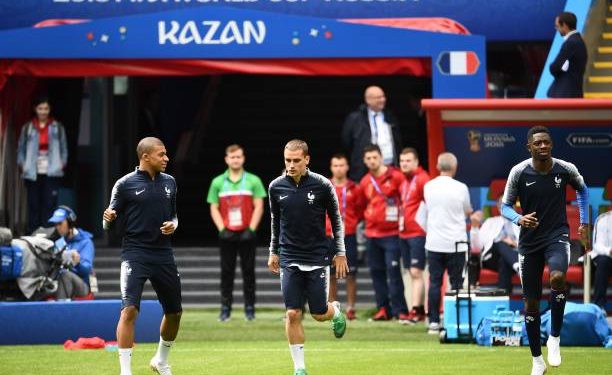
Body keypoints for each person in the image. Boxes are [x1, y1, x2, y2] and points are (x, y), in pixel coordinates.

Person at [501, 126, 588, 375]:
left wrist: (583, 222)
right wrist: (518, 219)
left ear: (551, 144)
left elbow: (582, 190)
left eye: (546, 142)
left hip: (557, 235)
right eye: (537, 143)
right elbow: (504, 206)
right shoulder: (518, 172)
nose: (542, 146)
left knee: (558, 277)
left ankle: (555, 338)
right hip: (529, 243)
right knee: (530, 303)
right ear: (529, 147)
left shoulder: (565, 168)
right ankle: (537, 361)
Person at [268, 139, 348, 375]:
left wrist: (340, 253)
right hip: (289, 256)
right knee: (292, 313)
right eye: (287, 160)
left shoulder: (323, 185)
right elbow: (275, 222)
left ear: (306, 160)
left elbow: (336, 220)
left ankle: (335, 311)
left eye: (295, 160)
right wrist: (273, 251)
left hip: (316, 257)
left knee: (318, 313)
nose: (290, 165)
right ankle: (299, 368)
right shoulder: (275, 187)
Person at [103, 137, 181, 375]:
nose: (166, 158)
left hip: (163, 253)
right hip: (135, 253)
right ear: (145, 157)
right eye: (161, 154)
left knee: (174, 313)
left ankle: (161, 360)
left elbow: (175, 215)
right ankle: (126, 372)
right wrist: (108, 220)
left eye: (166, 154)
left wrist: (174, 225)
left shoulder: (170, 182)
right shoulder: (124, 184)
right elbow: (107, 222)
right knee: (129, 310)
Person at [207, 144, 267, 322]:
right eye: (232, 157)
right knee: (227, 272)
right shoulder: (217, 182)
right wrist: (221, 229)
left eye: (239, 157)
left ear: (243, 158)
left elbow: (259, 206)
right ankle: (225, 309)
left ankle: (250, 309)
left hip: (247, 233)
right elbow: (213, 207)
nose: (236, 160)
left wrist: (252, 229)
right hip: (228, 233)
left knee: (249, 271)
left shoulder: (253, 180)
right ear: (226, 159)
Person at [423, 152, 472, 334]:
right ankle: (455, 321)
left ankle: (433, 322)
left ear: (438, 166)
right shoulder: (461, 188)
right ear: (454, 168)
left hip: (434, 242)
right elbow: (468, 210)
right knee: (457, 283)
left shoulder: (428, 186)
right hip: (456, 243)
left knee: (434, 282)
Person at [360, 144, 409, 322]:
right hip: (372, 234)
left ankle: (401, 310)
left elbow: (405, 200)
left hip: (392, 233)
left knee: (394, 272)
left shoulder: (396, 176)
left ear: (381, 157)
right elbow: (362, 206)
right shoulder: (365, 181)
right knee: (377, 273)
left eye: (375, 157)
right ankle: (383, 309)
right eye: (368, 158)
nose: (372, 161)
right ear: (364, 161)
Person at [17, 97, 68, 234]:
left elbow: (64, 148)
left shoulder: (57, 127)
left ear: (49, 109)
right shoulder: (28, 127)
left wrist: (61, 164)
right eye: (40, 108)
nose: (43, 112)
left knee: (49, 204)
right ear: (35, 109)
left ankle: (48, 233)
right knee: (33, 203)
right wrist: (23, 165)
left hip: (52, 171)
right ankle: (33, 234)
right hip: (32, 171)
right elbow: (21, 149)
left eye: (46, 108)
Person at [325, 153, 366, 320]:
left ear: (347, 167)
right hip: (329, 235)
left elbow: (361, 209)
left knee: (350, 274)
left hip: (348, 234)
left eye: (342, 165)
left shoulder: (355, 188)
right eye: (335, 165)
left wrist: (352, 223)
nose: (339, 168)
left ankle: (351, 308)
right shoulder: (324, 186)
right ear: (331, 167)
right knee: (331, 274)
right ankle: (333, 307)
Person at [341, 86, 402, 181]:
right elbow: (346, 143)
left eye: (383, 97)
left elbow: (398, 141)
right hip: (363, 170)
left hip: (389, 167)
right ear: (368, 100)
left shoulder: (390, 116)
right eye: (378, 97)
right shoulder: (355, 119)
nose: (383, 100)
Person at [398, 147, 429, 323]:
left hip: (417, 232)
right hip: (404, 233)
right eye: (402, 161)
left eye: (408, 160)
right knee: (412, 272)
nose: (404, 164)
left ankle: (416, 310)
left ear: (416, 162)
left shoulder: (423, 179)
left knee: (417, 271)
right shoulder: (404, 180)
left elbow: (430, 205)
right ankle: (419, 310)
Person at [470, 198, 520, 295]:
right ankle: (518, 266)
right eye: (501, 204)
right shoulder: (490, 222)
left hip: (512, 257)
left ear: (514, 206)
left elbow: (530, 245)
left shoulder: (521, 223)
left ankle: (503, 298)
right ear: (498, 207)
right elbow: (477, 247)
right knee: (499, 242)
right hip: (491, 258)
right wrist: (474, 228)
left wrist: (514, 244)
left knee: (504, 261)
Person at [48, 205, 94, 299]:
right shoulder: (58, 242)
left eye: (60, 223)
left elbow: (86, 270)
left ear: (70, 223)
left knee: (65, 275)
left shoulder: (85, 242)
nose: (57, 227)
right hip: (59, 281)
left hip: (82, 285)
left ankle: (61, 310)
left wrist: (77, 263)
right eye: (55, 224)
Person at [547, 12, 587, 98]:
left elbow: (555, 67)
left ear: (564, 25)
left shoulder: (571, 43)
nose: (556, 29)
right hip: (573, 92)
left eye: (557, 26)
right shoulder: (579, 41)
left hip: (566, 94)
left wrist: (553, 67)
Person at [592, 210, 611, 310]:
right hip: (607, 256)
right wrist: (609, 251)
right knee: (604, 261)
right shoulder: (603, 219)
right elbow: (597, 245)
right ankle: (599, 306)